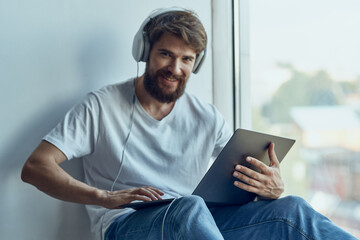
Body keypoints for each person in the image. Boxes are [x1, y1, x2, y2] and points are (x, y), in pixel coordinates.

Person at [21, 7, 358, 240]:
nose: (176, 68)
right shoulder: (101, 105)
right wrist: (104, 198)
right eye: (166, 54)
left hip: (195, 222)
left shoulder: (206, 116)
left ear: (195, 64)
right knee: (189, 208)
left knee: (292, 210)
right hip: (127, 226)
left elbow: (241, 177)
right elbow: (36, 167)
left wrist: (270, 186)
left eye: (186, 59)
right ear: (145, 52)